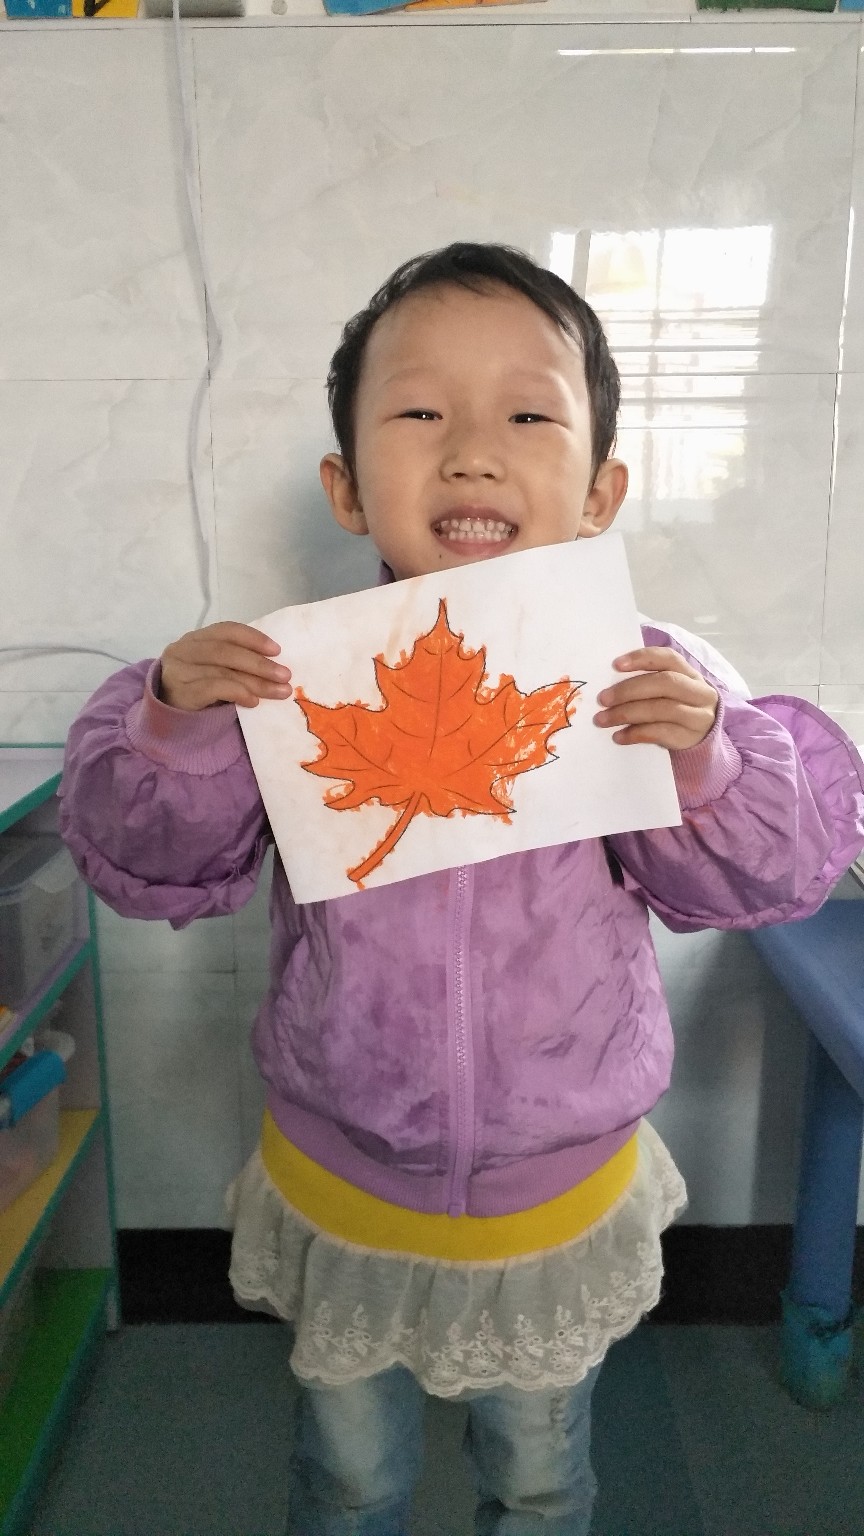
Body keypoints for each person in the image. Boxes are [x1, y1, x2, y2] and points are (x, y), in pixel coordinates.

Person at [59, 242, 864, 1536]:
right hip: (343, 1175)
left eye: (528, 416)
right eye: (421, 412)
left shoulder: (649, 682)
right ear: (345, 483)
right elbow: (158, 860)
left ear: (600, 491)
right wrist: (171, 727)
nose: (474, 453)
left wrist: (703, 760)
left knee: (539, 1481)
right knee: (348, 1479)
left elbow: (758, 876)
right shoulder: (283, 682)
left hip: (556, 1190)